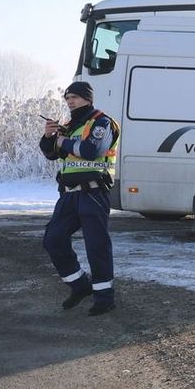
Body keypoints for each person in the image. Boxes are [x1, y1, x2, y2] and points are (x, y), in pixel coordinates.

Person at [40, 81, 121, 315]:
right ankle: (79, 285)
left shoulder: (102, 122)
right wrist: (49, 136)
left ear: (87, 98)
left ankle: (105, 297)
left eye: (74, 97)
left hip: (93, 192)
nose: (70, 101)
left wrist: (62, 140)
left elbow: (91, 150)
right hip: (68, 195)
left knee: (96, 246)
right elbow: (51, 154)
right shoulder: (70, 126)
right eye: (67, 98)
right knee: (53, 240)